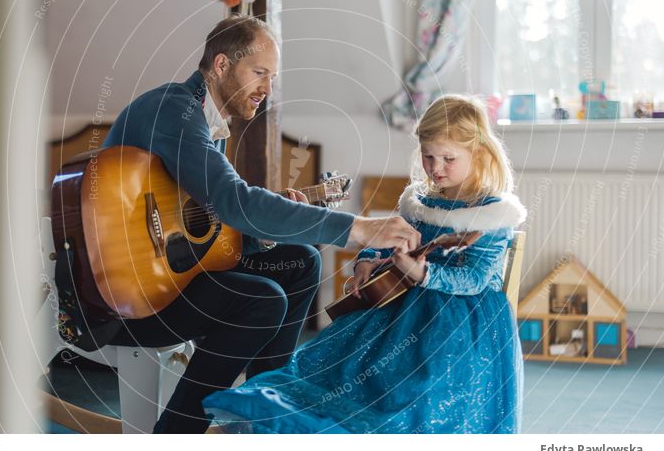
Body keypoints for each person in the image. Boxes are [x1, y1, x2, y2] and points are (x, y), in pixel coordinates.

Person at [100, 14, 421, 434]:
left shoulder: (204, 122)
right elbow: (235, 202)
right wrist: (356, 228)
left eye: (272, 77)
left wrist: (262, 236)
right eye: (260, 73)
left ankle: (263, 416)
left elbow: (207, 230)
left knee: (300, 261)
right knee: (264, 299)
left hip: (163, 273)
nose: (268, 90)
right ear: (220, 66)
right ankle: (177, 436)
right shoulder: (173, 111)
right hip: (125, 293)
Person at [203, 94, 528, 433]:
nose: (436, 168)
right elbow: (389, 240)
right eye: (429, 156)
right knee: (338, 364)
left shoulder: (491, 213)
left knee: (416, 392)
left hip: (460, 323)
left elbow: (475, 278)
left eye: (448, 158)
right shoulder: (422, 202)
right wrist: (367, 259)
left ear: (478, 153)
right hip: (399, 306)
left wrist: (423, 273)